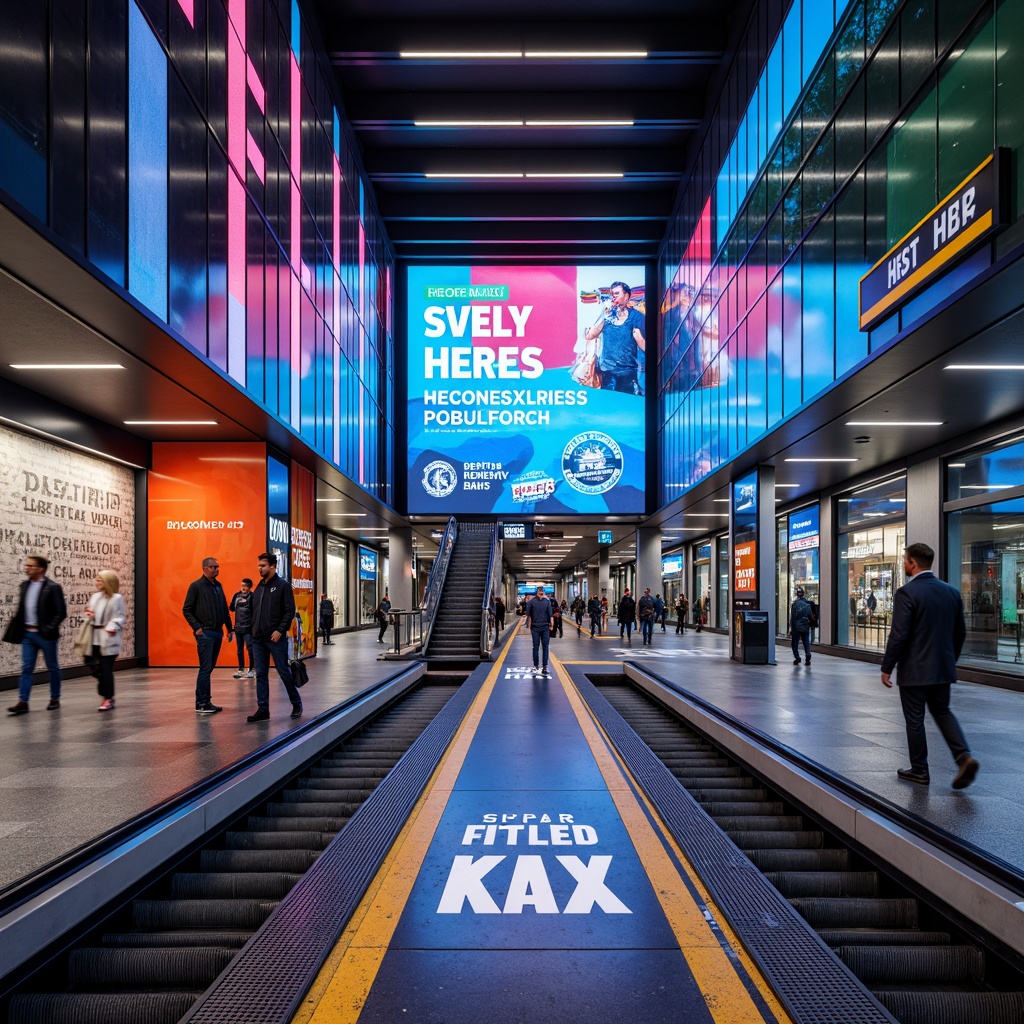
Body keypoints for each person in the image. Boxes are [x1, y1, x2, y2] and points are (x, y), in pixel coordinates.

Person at [881, 543, 979, 789]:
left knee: (915, 720)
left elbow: (899, 634)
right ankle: (963, 757)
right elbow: (960, 633)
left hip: (914, 670)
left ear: (912, 562)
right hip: (942, 668)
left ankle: (919, 770)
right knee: (943, 711)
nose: (904, 564)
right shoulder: (951, 592)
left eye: (905, 560)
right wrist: (948, 660)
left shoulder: (907, 593)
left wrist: (887, 666)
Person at [4, 554, 67, 714]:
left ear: (41, 569)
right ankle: (23, 702)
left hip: (46, 636)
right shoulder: (24, 586)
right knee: (26, 668)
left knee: (52, 667)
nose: (27, 568)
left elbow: (61, 612)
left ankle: (55, 698)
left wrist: (47, 629)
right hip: (28, 635)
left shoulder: (52, 587)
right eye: (26, 565)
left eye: (30, 566)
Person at [247, 552, 302, 722]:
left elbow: (289, 611)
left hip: (275, 638)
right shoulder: (259, 587)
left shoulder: (282, 586)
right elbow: (253, 611)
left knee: (283, 672)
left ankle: (296, 703)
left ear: (272, 566)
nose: (259, 569)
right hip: (258, 638)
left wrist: (280, 630)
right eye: (259, 566)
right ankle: (263, 709)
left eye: (262, 566)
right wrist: (252, 630)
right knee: (261, 674)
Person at [182, 556, 233, 714]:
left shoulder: (218, 586)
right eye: (213, 567)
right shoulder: (196, 586)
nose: (216, 569)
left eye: (217, 567)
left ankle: (205, 701)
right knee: (205, 668)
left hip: (217, 632)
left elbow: (224, 608)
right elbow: (187, 609)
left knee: (209, 668)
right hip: (205, 633)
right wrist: (197, 627)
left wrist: (229, 629)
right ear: (204, 569)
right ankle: (202, 703)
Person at [583, 281, 646, 394]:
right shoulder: (607, 316)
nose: (613, 296)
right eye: (612, 294)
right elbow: (590, 335)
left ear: (626, 295)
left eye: (617, 293)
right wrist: (604, 314)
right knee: (608, 405)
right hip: (607, 371)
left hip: (627, 371)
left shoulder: (637, 317)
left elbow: (643, 344)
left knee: (624, 405)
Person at [86, 570, 127, 711]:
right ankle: (105, 692)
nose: (97, 583)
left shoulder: (117, 598)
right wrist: (90, 615)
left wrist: (112, 627)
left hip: (108, 637)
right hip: (94, 636)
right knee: (94, 665)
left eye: (100, 580)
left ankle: (108, 698)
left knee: (105, 668)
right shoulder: (95, 597)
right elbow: (91, 612)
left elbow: (120, 617)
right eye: (97, 580)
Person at [525, 586, 553, 674]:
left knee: (535, 647)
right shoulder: (547, 602)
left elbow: (528, 614)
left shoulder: (531, 602)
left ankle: (535, 666)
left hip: (535, 628)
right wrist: (551, 625)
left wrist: (528, 626)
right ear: (543, 592)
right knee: (545, 647)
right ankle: (544, 667)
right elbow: (550, 615)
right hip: (545, 628)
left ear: (537, 592)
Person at [230, 578, 255, 677]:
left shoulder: (252, 597)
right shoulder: (237, 596)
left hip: (248, 628)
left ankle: (252, 669)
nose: (243, 588)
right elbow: (232, 608)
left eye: (245, 586)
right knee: (239, 649)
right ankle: (240, 669)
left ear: (249, 587)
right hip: (238, 627)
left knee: (250, 649)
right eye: (242, 586)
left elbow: (255, 611)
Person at [789, 586, 812, 666]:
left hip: (796, 627)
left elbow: (792, 617)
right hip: (805, 625)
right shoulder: (807, 604)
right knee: (806, 642)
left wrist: (791, 627)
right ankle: (808, 655)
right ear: (803, 594)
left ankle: (797, 657)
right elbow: (810, 615)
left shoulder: (795, 604)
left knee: (795, 643)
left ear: (797, 595)